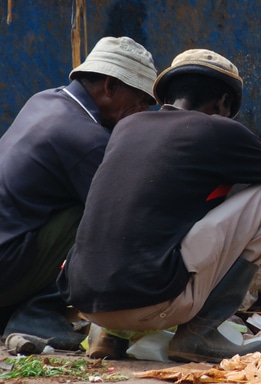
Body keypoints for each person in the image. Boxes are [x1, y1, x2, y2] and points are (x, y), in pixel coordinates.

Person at [60, 49, 261, 363]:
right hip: (153, 301)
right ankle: (199, 334)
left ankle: (110, 335)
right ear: (223, 102)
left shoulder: (127, 128)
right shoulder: (220, 130)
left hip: (87, 300)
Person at [0, 37, 157, 355]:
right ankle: (38, 313)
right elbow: (128, 215)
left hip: (8, 252)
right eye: (140, 100)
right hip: (7, 265)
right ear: (110, 87)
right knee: (108, 215)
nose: (141, 112)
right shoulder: (86, 139)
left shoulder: (44, 100)